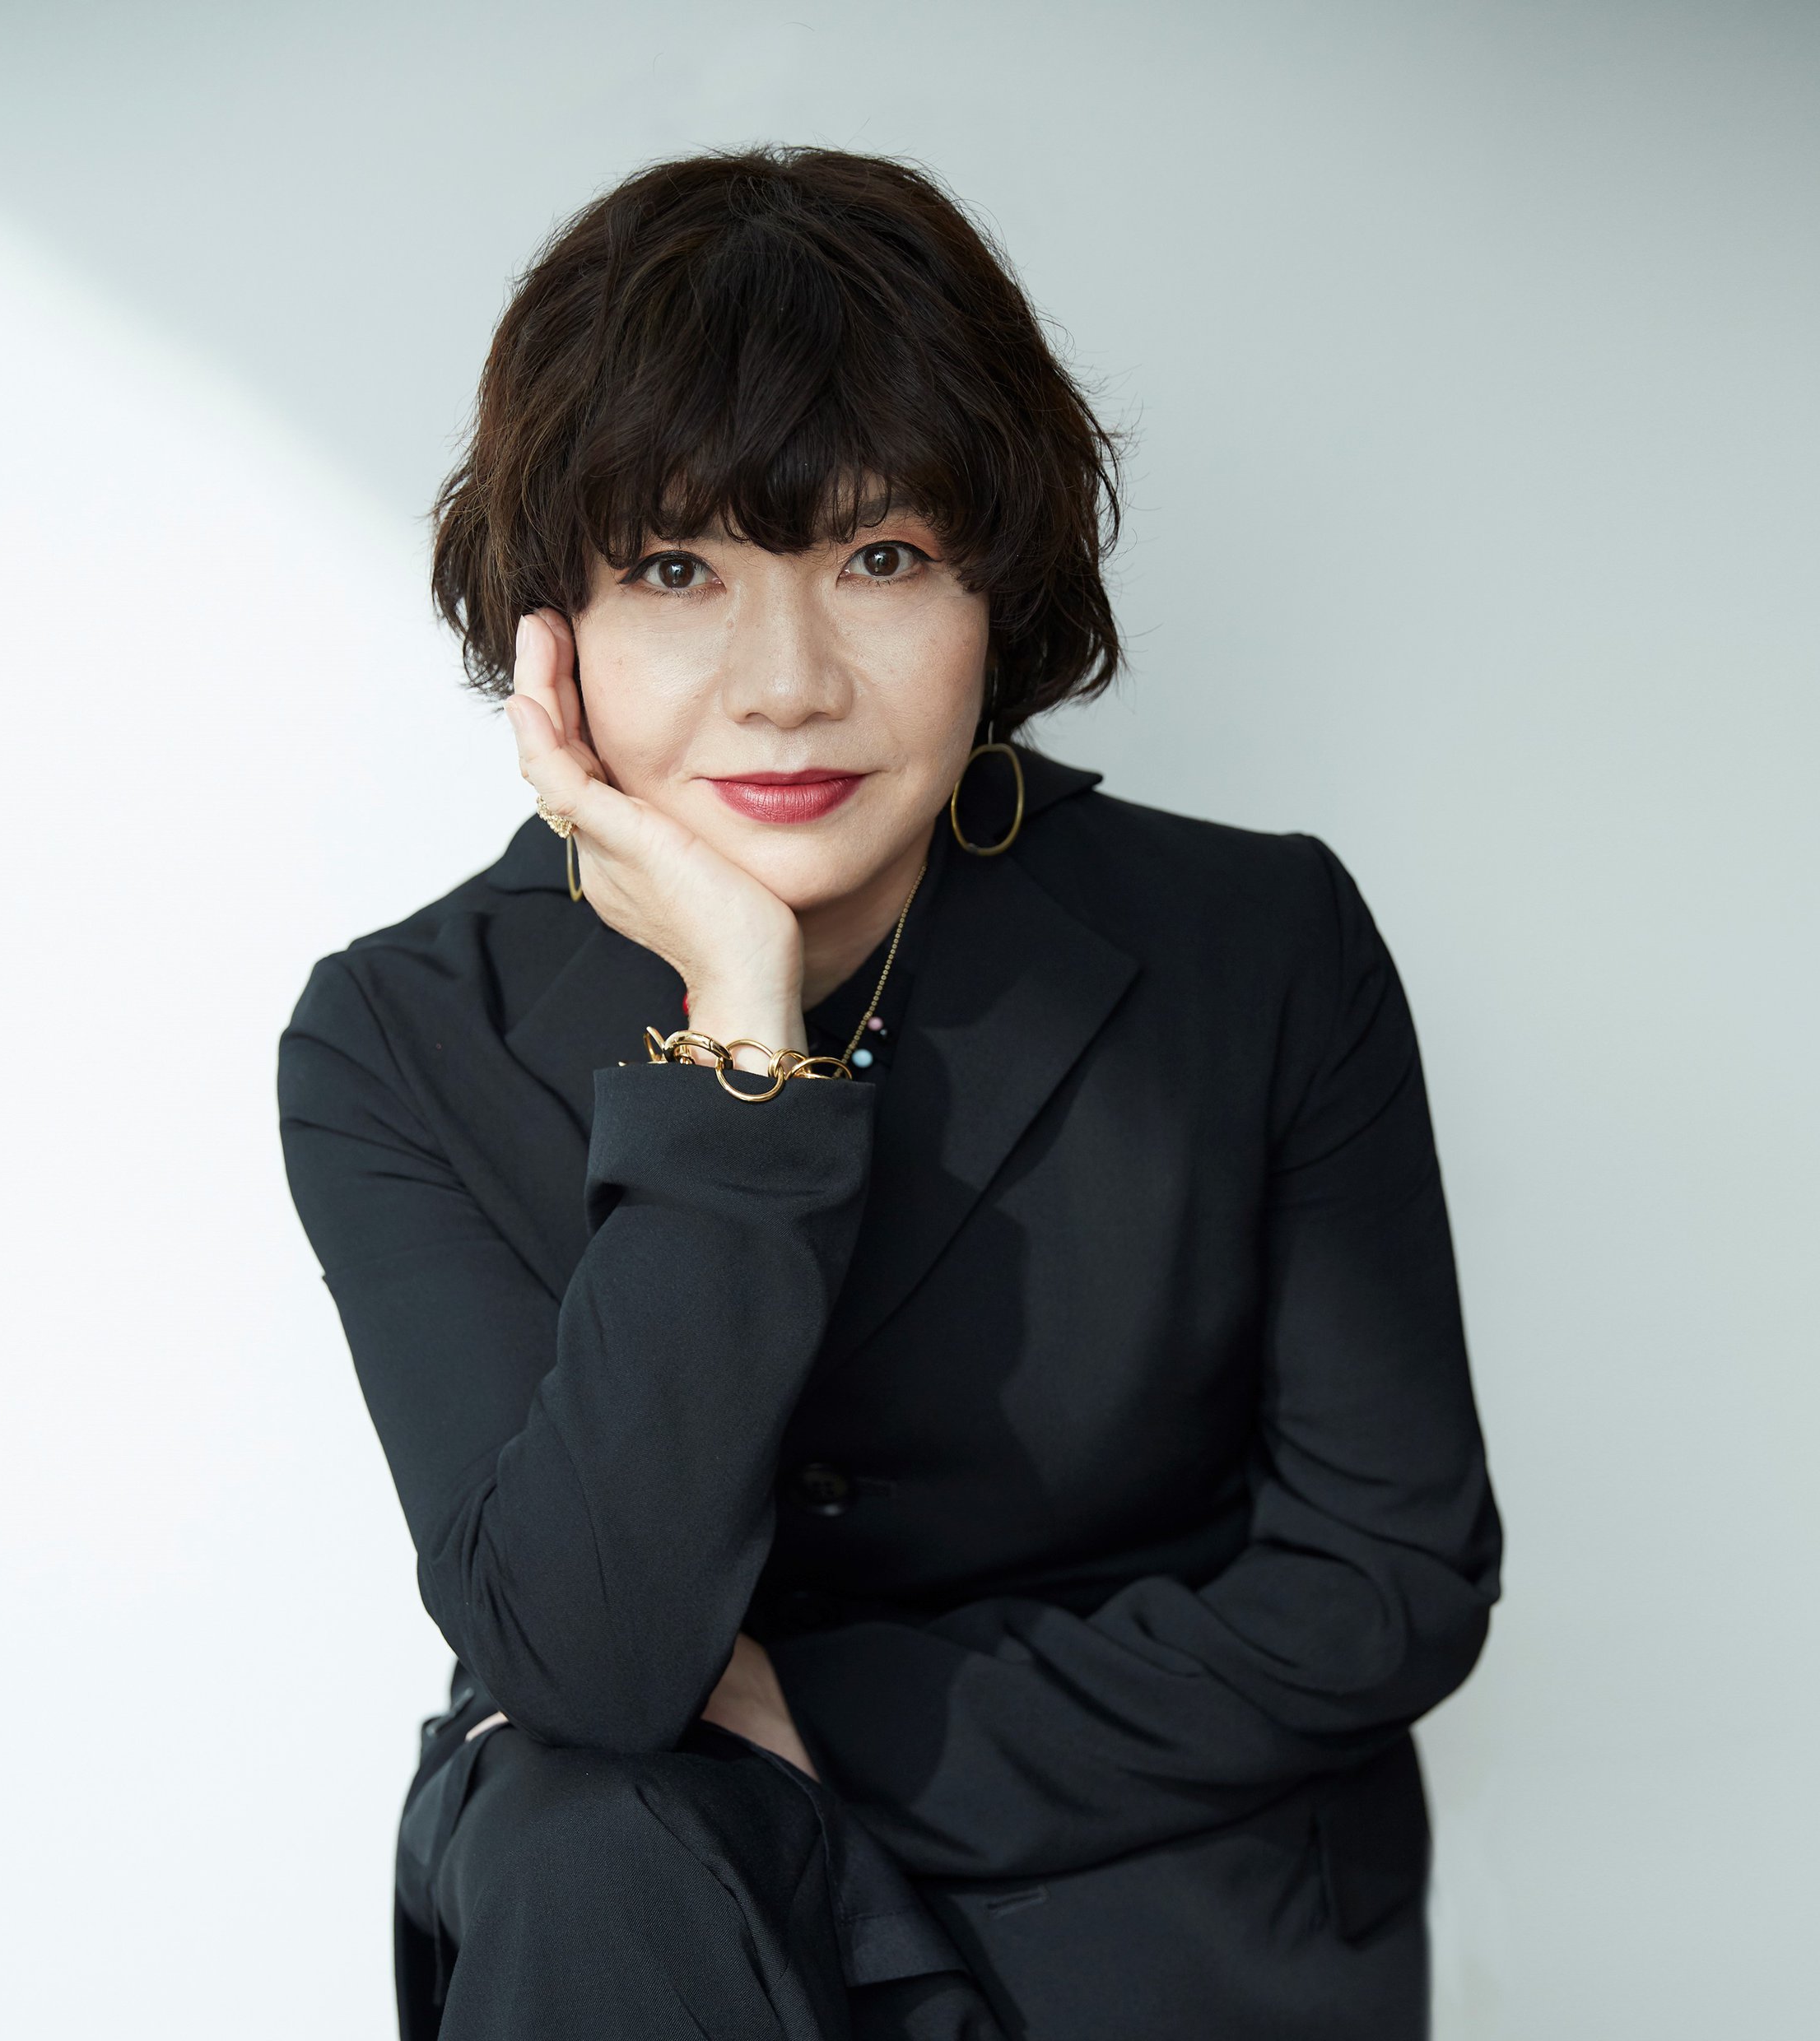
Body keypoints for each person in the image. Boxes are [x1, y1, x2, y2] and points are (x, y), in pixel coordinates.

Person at [277, 146, 1501, 2041]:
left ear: (996, 591)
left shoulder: (1256, 943)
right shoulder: (402, 1030)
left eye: (880, 558)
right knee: (582, 1822)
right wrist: (739, 1036)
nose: (787, 683)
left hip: (1145, 1891)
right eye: (676, 567)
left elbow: (1385, 1582)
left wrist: (824, 1721)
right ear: (547, 626)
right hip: (646, 1908)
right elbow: (590, 1663)